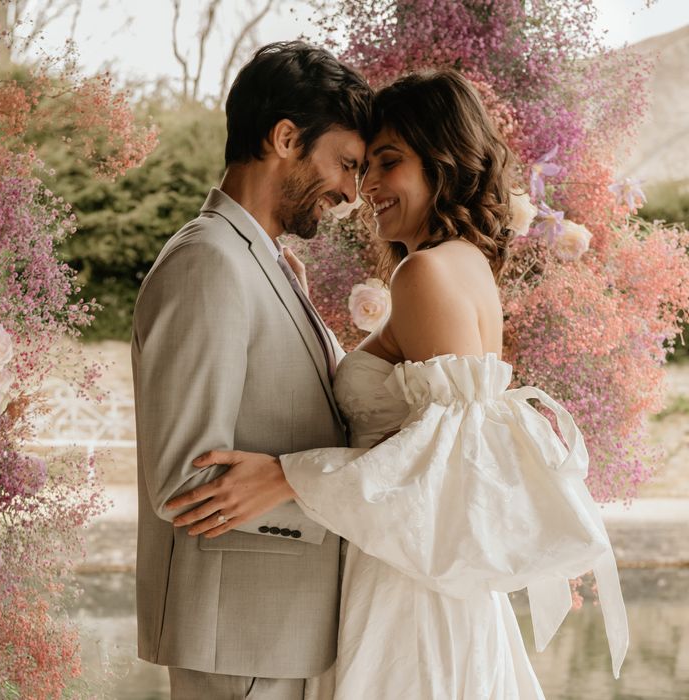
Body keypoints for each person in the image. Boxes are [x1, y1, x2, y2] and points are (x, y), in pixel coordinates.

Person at [168, 70, 629, 699]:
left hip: (407, 596)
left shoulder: (425, 274)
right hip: (426, 583)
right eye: (363, 168)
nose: (368, 189)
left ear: (442, 163)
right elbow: (415, 420)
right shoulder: (462, 264)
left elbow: (452, 464)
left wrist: (288, 476)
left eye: (389, 163)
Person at [131, 41, 372, 700]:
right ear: (287, 138)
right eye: (345, 164)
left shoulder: (266, 263)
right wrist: (339, 498)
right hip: (238, 637)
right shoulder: (209, 262)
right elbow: (187, 479)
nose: (352, 191)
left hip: (279, 632)